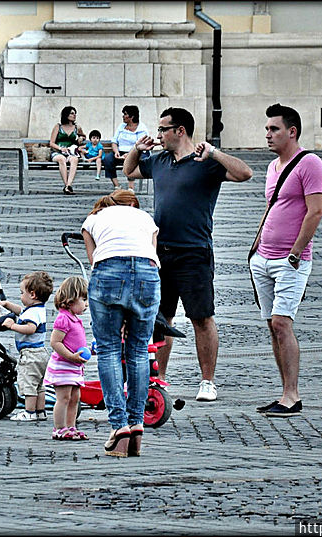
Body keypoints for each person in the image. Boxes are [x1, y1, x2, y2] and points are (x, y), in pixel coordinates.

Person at [124, 107, 253, 402]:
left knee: (201, 317)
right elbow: (129, 171)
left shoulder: (204, 162)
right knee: (161, 318)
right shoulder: (159, 161)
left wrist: (214, 153)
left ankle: (208, 381)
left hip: (194, 251)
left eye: (163, 129)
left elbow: (245, 173)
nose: (158, 135)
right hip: (159, 252)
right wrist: (136, 148)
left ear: (180, 131)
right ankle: (159, 378)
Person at [247, 103, 322, 418]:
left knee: (282, 323)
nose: (267, 134)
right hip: (263, 257)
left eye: (274, 129)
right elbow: (272, 208)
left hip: (291, 259)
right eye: (267, 128)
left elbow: (315, 211)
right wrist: (254, 249)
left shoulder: (310, 164)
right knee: (272, 326)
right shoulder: (272, 167)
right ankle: (284, 392)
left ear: (292, 131)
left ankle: (292, 396)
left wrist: (295, 251)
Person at [82, 189, 161, 457]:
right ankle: (137, 423)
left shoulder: (93, 219)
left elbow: (94, 262)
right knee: (139, 349)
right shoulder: (145, 218)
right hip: (148, 275)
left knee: (108, 349)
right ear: (133, 204)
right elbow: (151, 254)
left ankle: (119, 427)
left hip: (109, 272)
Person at [0, 271, 54, 422]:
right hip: (41, 353)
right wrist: (7, 305)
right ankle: (40, 411)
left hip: (31, 354)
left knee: (29, 383)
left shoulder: (33, 314)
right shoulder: (36, 309)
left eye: (22, 292)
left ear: (32, 294)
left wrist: (13, 326)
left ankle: (29, 412)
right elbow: (21, 311)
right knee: (39, 385)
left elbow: (30, 328)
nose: (20, 296)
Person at [43, 276, 89, 441]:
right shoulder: (63, 318)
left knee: (75, 398)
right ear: (70, 300)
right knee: (63, 398)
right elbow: (55, 342)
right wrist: (71, 356)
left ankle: (71, 427)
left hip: (74, 366)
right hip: (63, 365)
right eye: (83, 299)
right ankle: (59, 428)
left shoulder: (75, 319)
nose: (86, 304)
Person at [103, 105, 149, 191]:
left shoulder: (142, 128)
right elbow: (114, 141)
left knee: (134, 160)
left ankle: (131, 187)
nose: (123, 116)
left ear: (132, 116)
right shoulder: (121, 126)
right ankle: (116, 186)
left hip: (137, 152)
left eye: (125, 114)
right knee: (107, 159)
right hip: (121, 151)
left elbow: (141, 145)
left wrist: (130, 154)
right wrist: (116, 151)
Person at [49, 106, 86, 195]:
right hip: (58, 151)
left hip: (71, 151)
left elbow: (83, 136)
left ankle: (68, 185)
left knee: (74, 159)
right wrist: (61, 148)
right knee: (62, 159)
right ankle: (67, 185)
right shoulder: (58, 126)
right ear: (66, 115)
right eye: (72, 113)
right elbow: (51, 143)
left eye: (75, 113)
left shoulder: (77, 127)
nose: (74, 115)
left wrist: (81, 138)